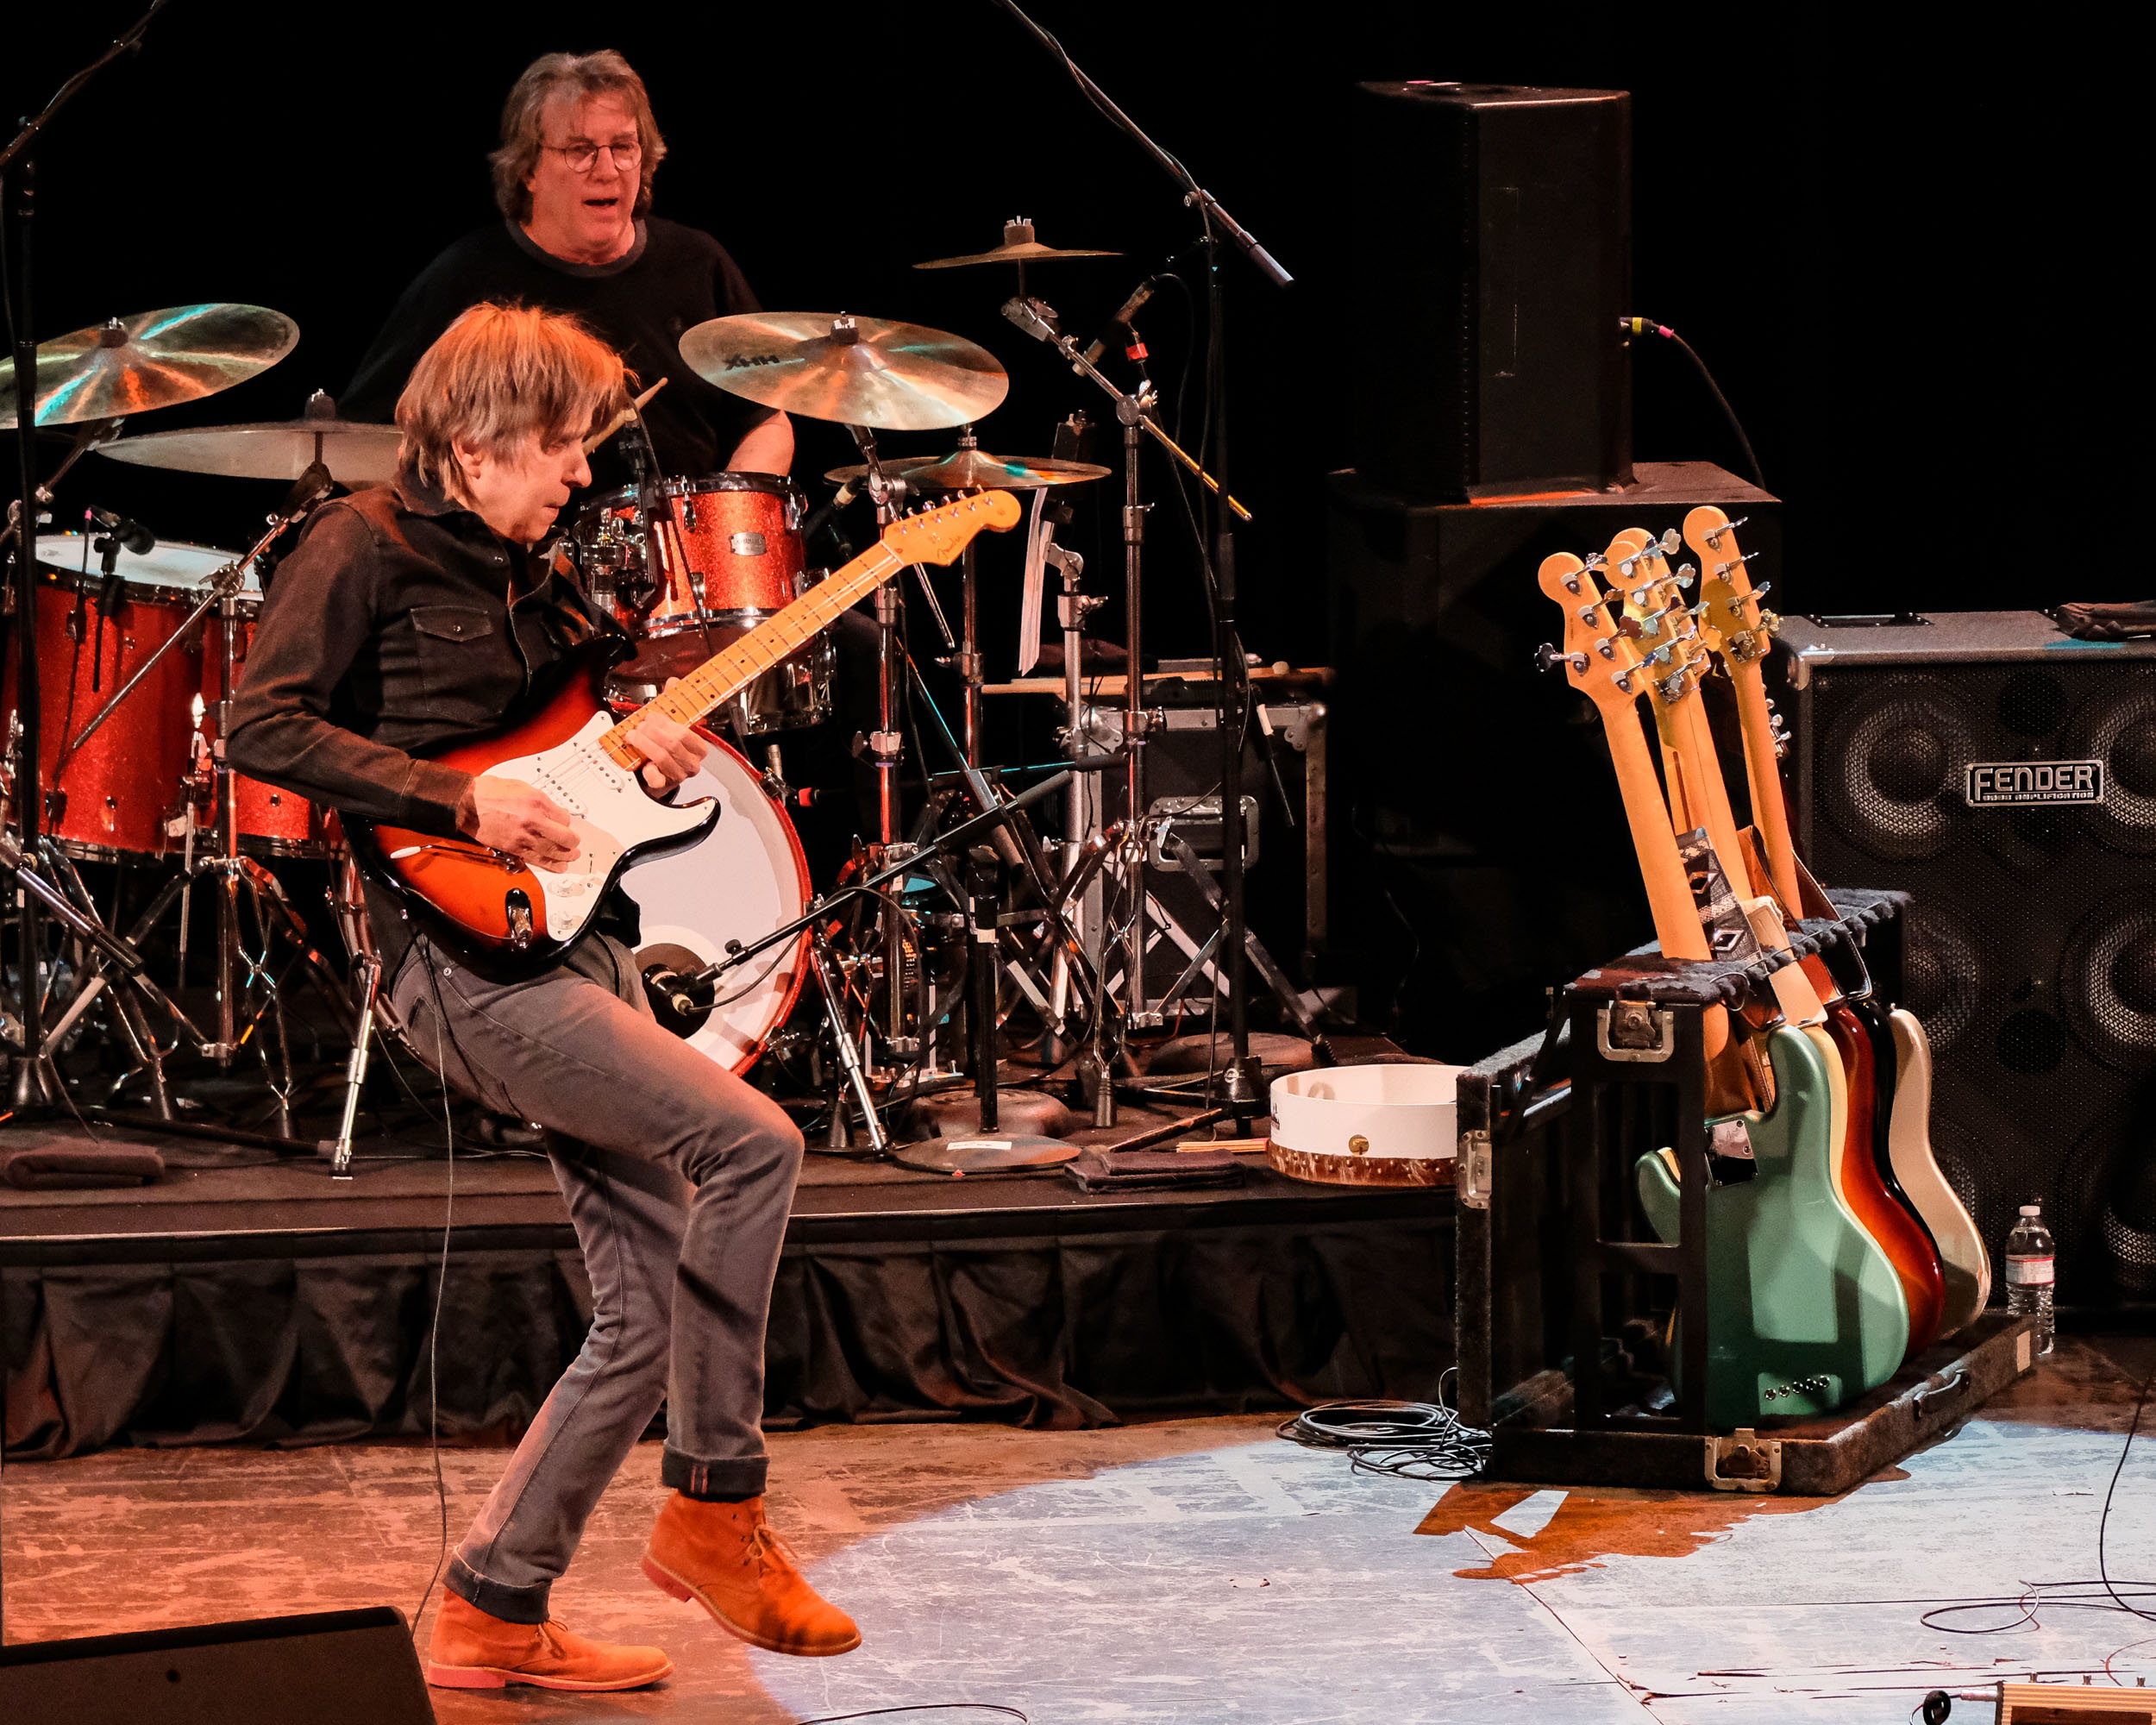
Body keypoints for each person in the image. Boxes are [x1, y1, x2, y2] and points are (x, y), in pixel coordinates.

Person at [228, 303, 859, 1690]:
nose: (582, 475)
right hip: (456, 962)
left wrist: (656, 746)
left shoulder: (545, 576)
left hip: (573, 942)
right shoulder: (359, 547)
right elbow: (258, 727)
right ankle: (715, 1506)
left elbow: (589, 750)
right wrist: (460, 796)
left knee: (644, 1309)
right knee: (754, 1144)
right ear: (475, 438)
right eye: (563, 446)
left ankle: (491, 1608)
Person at [342, 49, 792, 484]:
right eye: (580, 150)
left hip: (686, 551)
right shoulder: (464, 281)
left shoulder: (699, 264)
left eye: (623, 146)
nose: (607, 170)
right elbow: (363, 443)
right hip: (510, 558)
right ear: (529, 170)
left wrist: (726, 526)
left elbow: (766, 420)